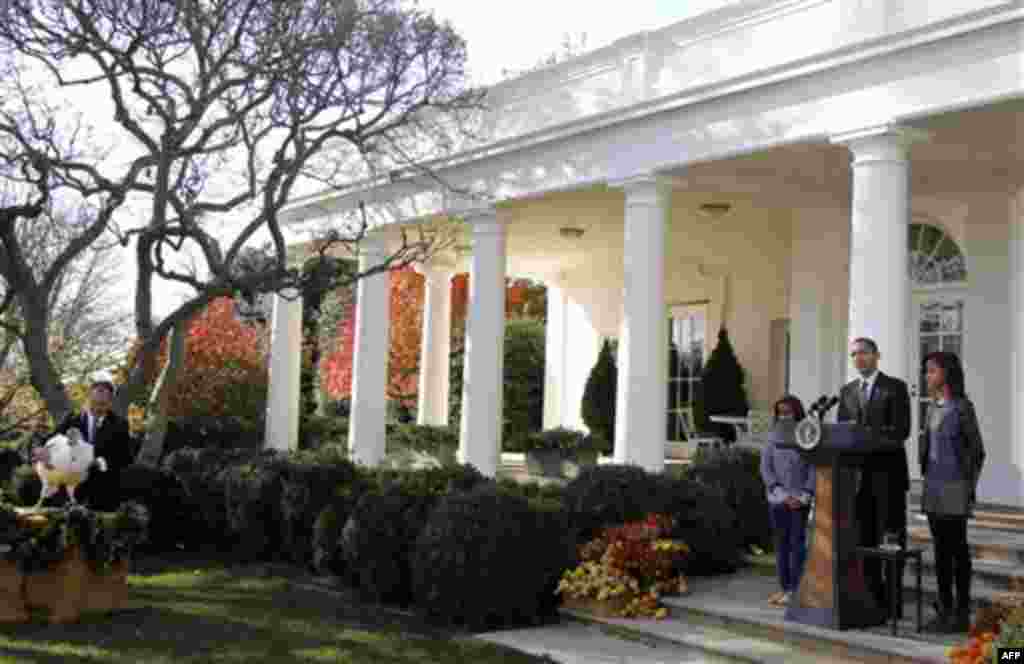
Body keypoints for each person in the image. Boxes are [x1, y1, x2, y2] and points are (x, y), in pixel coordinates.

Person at [836, 337, 912, 617]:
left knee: (890, 541)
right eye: (854, 355)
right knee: (864, 542)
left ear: (877, 355)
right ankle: (870, 602)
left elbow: (900, 431)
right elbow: (843, 432)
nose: (858, 359)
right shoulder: (846, 392)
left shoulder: (895, 388)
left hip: (888, 477)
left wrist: (866, 439)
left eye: (864, 353)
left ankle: (893, 604)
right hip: (857, 481)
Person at [919, 351, 985, 633]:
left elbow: (977, 451)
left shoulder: (962, 408)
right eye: (926, 371)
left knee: (957, 551)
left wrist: (967, 488)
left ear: (946, 373)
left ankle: (960, 612)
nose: (927, 376)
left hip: (955, 490)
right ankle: (945, 608)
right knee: (941, 552)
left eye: (931, 371)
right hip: (933, 490)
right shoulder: (932, 407)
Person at [33, 380, 136, 509]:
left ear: (110, 402)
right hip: (72, 490)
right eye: (96, 401)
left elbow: (125, 458)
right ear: (89, 398)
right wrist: (40, 450)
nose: (99, 406)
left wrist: (100, 462)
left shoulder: (120, 425)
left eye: (103, 402)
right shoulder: (72, 419)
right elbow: (50, 440)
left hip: (104, 491)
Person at [760, 395, 814, 607]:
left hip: (800, 500)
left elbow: (812, 467)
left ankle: (796, 589)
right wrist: (782, 494)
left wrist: (803, 496)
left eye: (788, 412)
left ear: (797, 412)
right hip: (778, 499)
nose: (784, 416)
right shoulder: (772, 437)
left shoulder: (807, 436)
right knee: (781, 546)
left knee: (797, 546)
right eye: (780, 413)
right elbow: (766, 468)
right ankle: (784, 588)